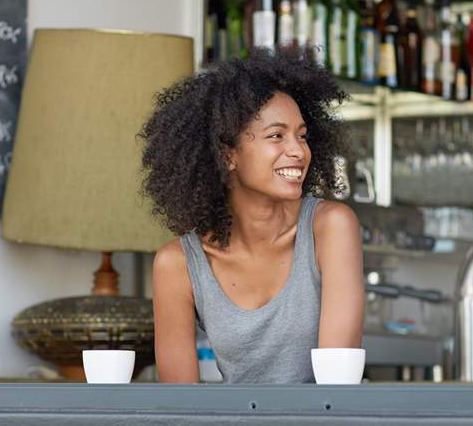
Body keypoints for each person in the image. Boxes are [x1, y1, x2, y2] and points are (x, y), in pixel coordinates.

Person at [140, 51, 364, 383]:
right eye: (277, 135)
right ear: (227, 154)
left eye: (301, 135)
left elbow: (336, 389)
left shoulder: (330, 228)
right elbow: (179, 406)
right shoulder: (177, 264)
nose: (298, 151)